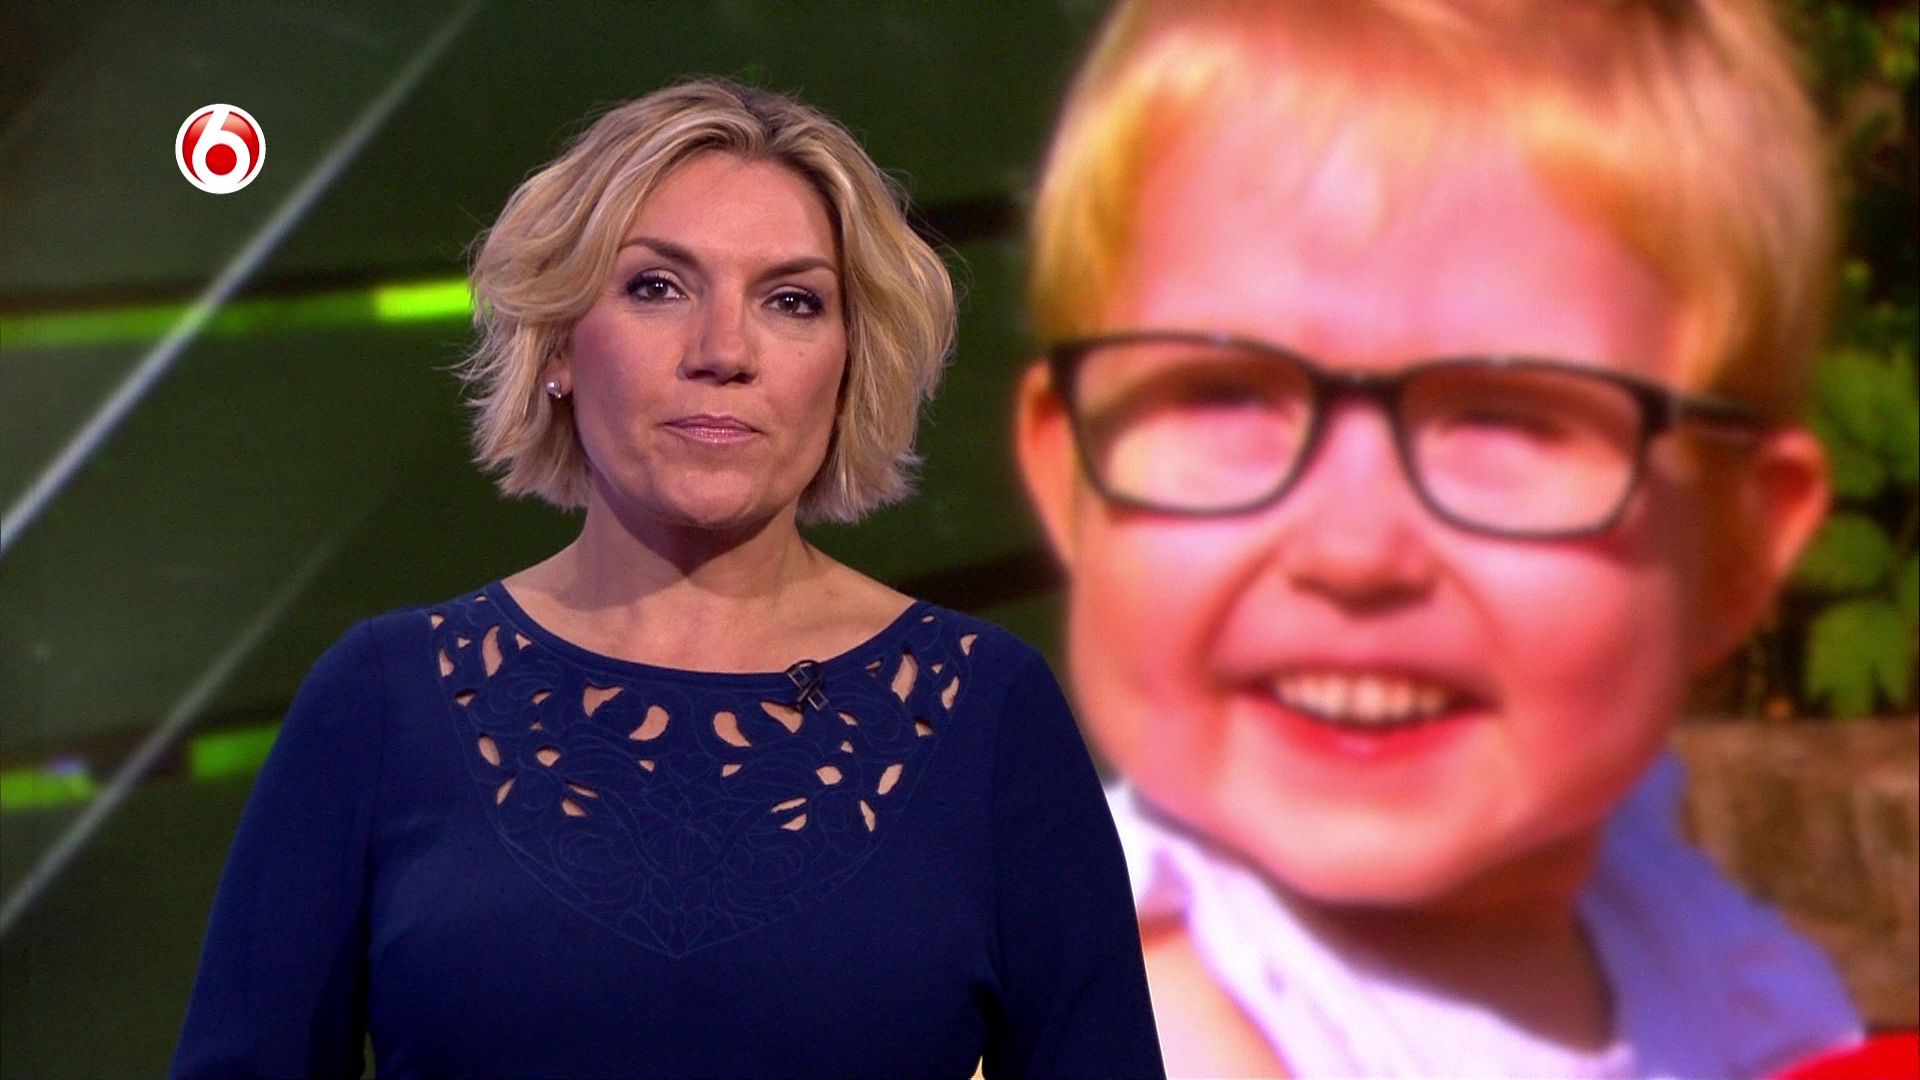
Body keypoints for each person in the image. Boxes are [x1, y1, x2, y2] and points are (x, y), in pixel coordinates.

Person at [175, 80, 1162, 1080]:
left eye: (792, 301)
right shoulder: (385, 697)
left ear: (850, 366)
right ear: (559, 345)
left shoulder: (987, 710)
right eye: (656, 287)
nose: (723, 352)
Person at [1014, 2, 1863, 1076]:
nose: (1354, 551)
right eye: (1228, 394)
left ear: (1736, 547)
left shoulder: (1700, 956)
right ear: (1073, 478)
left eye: (1506, 419)